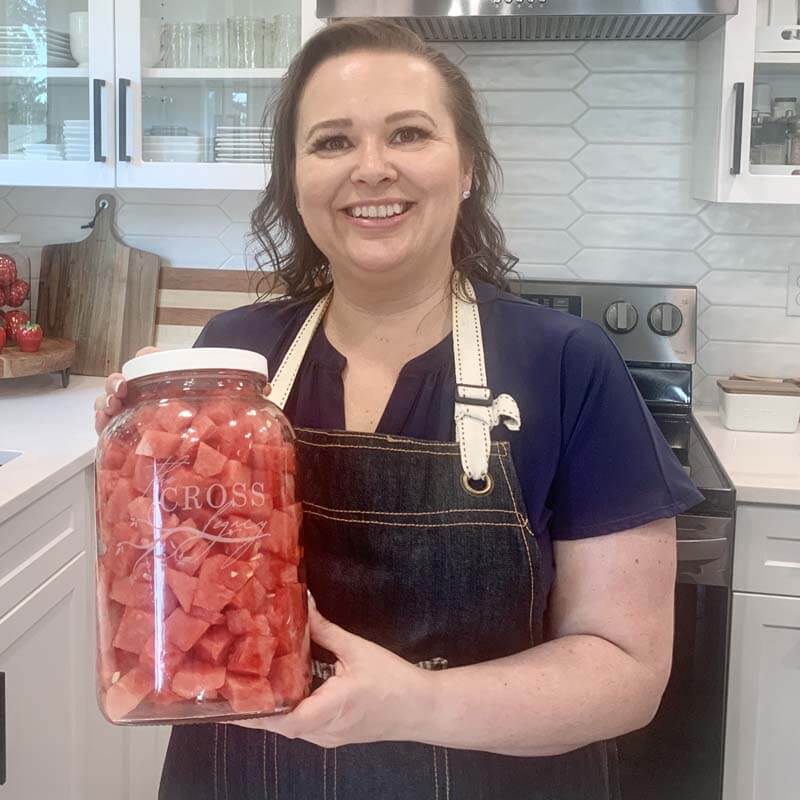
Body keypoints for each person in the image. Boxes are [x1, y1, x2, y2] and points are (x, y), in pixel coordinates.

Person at [95, 18, 703, 800]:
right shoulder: (230, 363)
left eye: (409, 134)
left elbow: (628, 673)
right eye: (332, 142)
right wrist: (136, 454)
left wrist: (416, 703)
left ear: (468, 168)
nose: (371, 169)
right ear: (294, 178)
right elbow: (171, 590)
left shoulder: (565, 363)